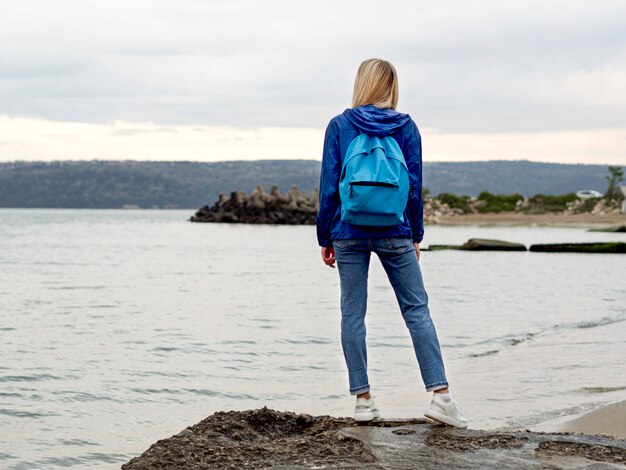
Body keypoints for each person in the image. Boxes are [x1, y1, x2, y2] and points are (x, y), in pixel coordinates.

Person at [316, 58, 467, 428]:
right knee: (417, 311)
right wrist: (415, 234)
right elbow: (414, 185)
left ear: (361, 84)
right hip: (395, 229)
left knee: (353, 314)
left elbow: (328, 185)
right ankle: (441, 397)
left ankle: (363, 402)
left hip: (347, 229)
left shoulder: (339, 125)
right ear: (392, 86)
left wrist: (325, 236)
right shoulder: (406, 126)